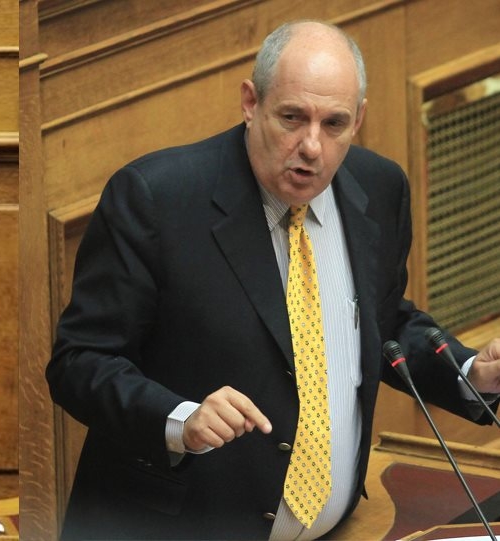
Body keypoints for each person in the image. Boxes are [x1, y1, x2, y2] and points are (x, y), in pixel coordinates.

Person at [47, 20, 500, 540]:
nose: (312, 146)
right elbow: (79, 362)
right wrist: (180, 419)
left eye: (334, 124)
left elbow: (381, 321)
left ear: (358, 120)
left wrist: (468, 372)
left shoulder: (379, 187)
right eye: (292, 118)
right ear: (250, 102)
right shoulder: (155, 199)